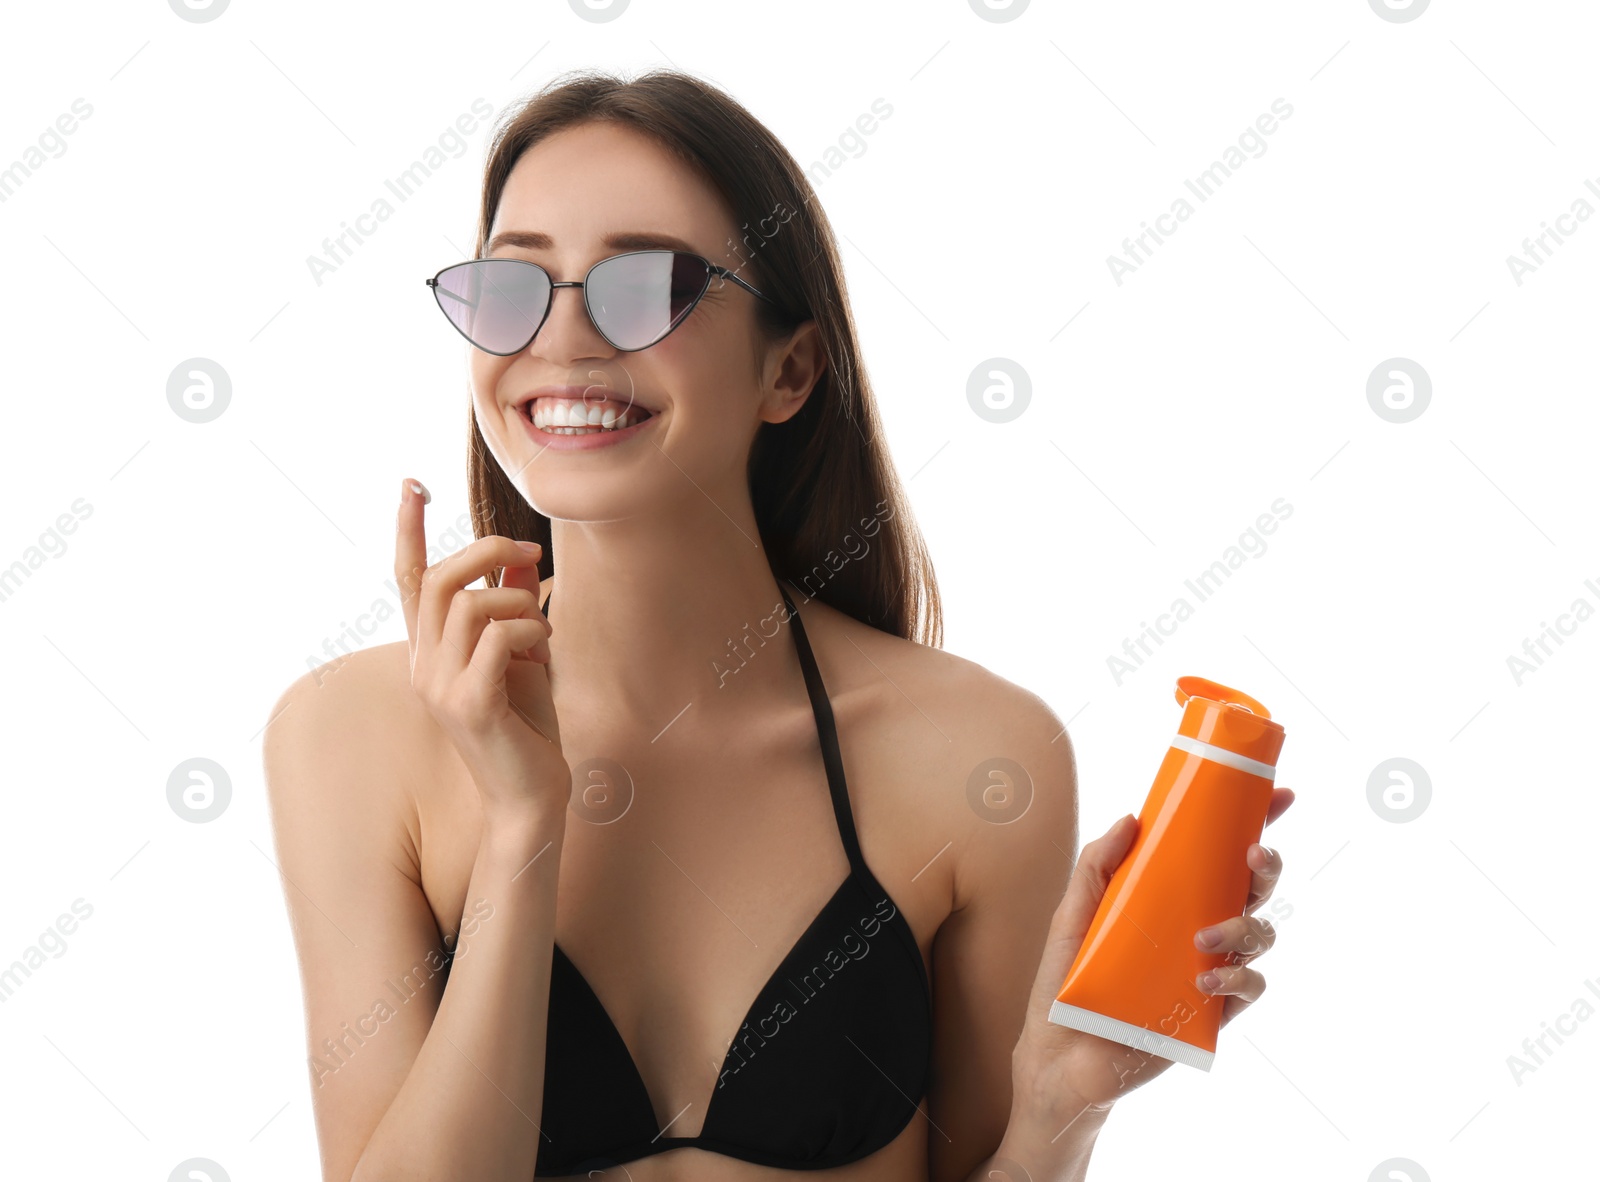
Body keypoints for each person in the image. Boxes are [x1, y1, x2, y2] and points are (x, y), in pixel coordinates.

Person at [263, 67, 1295, 1182]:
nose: (559, 341)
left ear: (789, 369)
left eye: (645, 284)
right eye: (516, 284)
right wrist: (522, 824)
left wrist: (1060, 1117)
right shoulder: (351, 736)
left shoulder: (979, 759)